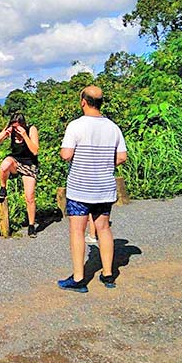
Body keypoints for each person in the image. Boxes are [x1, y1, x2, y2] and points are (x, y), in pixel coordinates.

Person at [58, 86, 127, 292]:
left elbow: (66, 155)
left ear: (83, 102)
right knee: (104, 229)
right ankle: (107, 275)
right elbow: (122, 157)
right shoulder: (113, 127)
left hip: (80, 188)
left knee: (77, 231)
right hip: (105, 188)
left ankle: (79, 279)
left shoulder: (76, 126)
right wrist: (104, 163)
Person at [0, 112, 40, 237]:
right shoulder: (11, 131)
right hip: (16, 162)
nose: (16, 129)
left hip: (29, 164)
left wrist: (24, 135)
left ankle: (31, 225)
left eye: (18, 127)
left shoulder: (31, 130)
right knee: (5, 164)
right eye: (14, 127)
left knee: (29, 197)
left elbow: (35, 151)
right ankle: (3, 187)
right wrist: (5, 133)